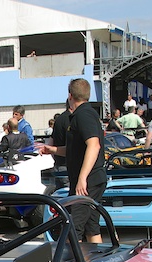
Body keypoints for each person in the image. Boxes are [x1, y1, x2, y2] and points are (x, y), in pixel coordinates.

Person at [39, 78, 107, 244]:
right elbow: (76, 149)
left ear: (70, 95)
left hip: (87, 180)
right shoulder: (82, 115)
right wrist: (53, 150)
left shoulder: (83, 115)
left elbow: (94, 145)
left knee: (72, 225)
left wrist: (82, 178)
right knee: (91, 225)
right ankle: (95, 261)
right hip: (90, 179)